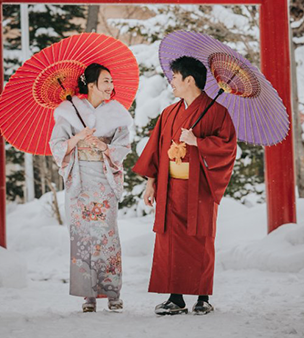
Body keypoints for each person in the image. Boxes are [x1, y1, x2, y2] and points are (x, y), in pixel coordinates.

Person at [133, 56, 237, 316]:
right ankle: (175, 298)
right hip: (170, 187)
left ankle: (203, 297)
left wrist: (197, 142)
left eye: (175, 78)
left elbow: (227, 149)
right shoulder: (169, 113)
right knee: (171, 242)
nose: (172, 84)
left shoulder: (217, 112)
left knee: (201, 239)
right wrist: (150, 183)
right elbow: (156, 150)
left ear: (189, 80)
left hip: (200, 188)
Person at [50, 63, 132, 313]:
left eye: (111, 81)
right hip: (80, 181)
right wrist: (78, 137)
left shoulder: (117, 113)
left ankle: (112, 292)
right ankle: (88, 295)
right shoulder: (69, 111)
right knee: (83, 237)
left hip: (104, 180)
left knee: (107, 236)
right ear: (92, 84)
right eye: (105, 81)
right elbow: (56, 145)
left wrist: (104, 147)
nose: (111, 86)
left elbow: (124, 147)